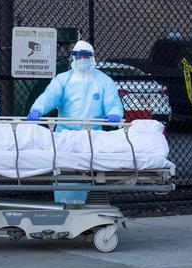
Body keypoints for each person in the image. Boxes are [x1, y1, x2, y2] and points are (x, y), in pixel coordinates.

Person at [27, 40, 124, 203]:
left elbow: (112, 101)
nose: (83, 59)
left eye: (86, 56)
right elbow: (50, 96)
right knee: (65, 172)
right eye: (79, 56)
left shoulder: (103, 81)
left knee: (86, 173)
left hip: (91, 136)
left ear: (92, 57)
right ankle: (64, 206)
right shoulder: (63, 80)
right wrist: (37, 109)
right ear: (73, 57)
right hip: (66, 136)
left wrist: (114, 113)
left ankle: (86, 207)